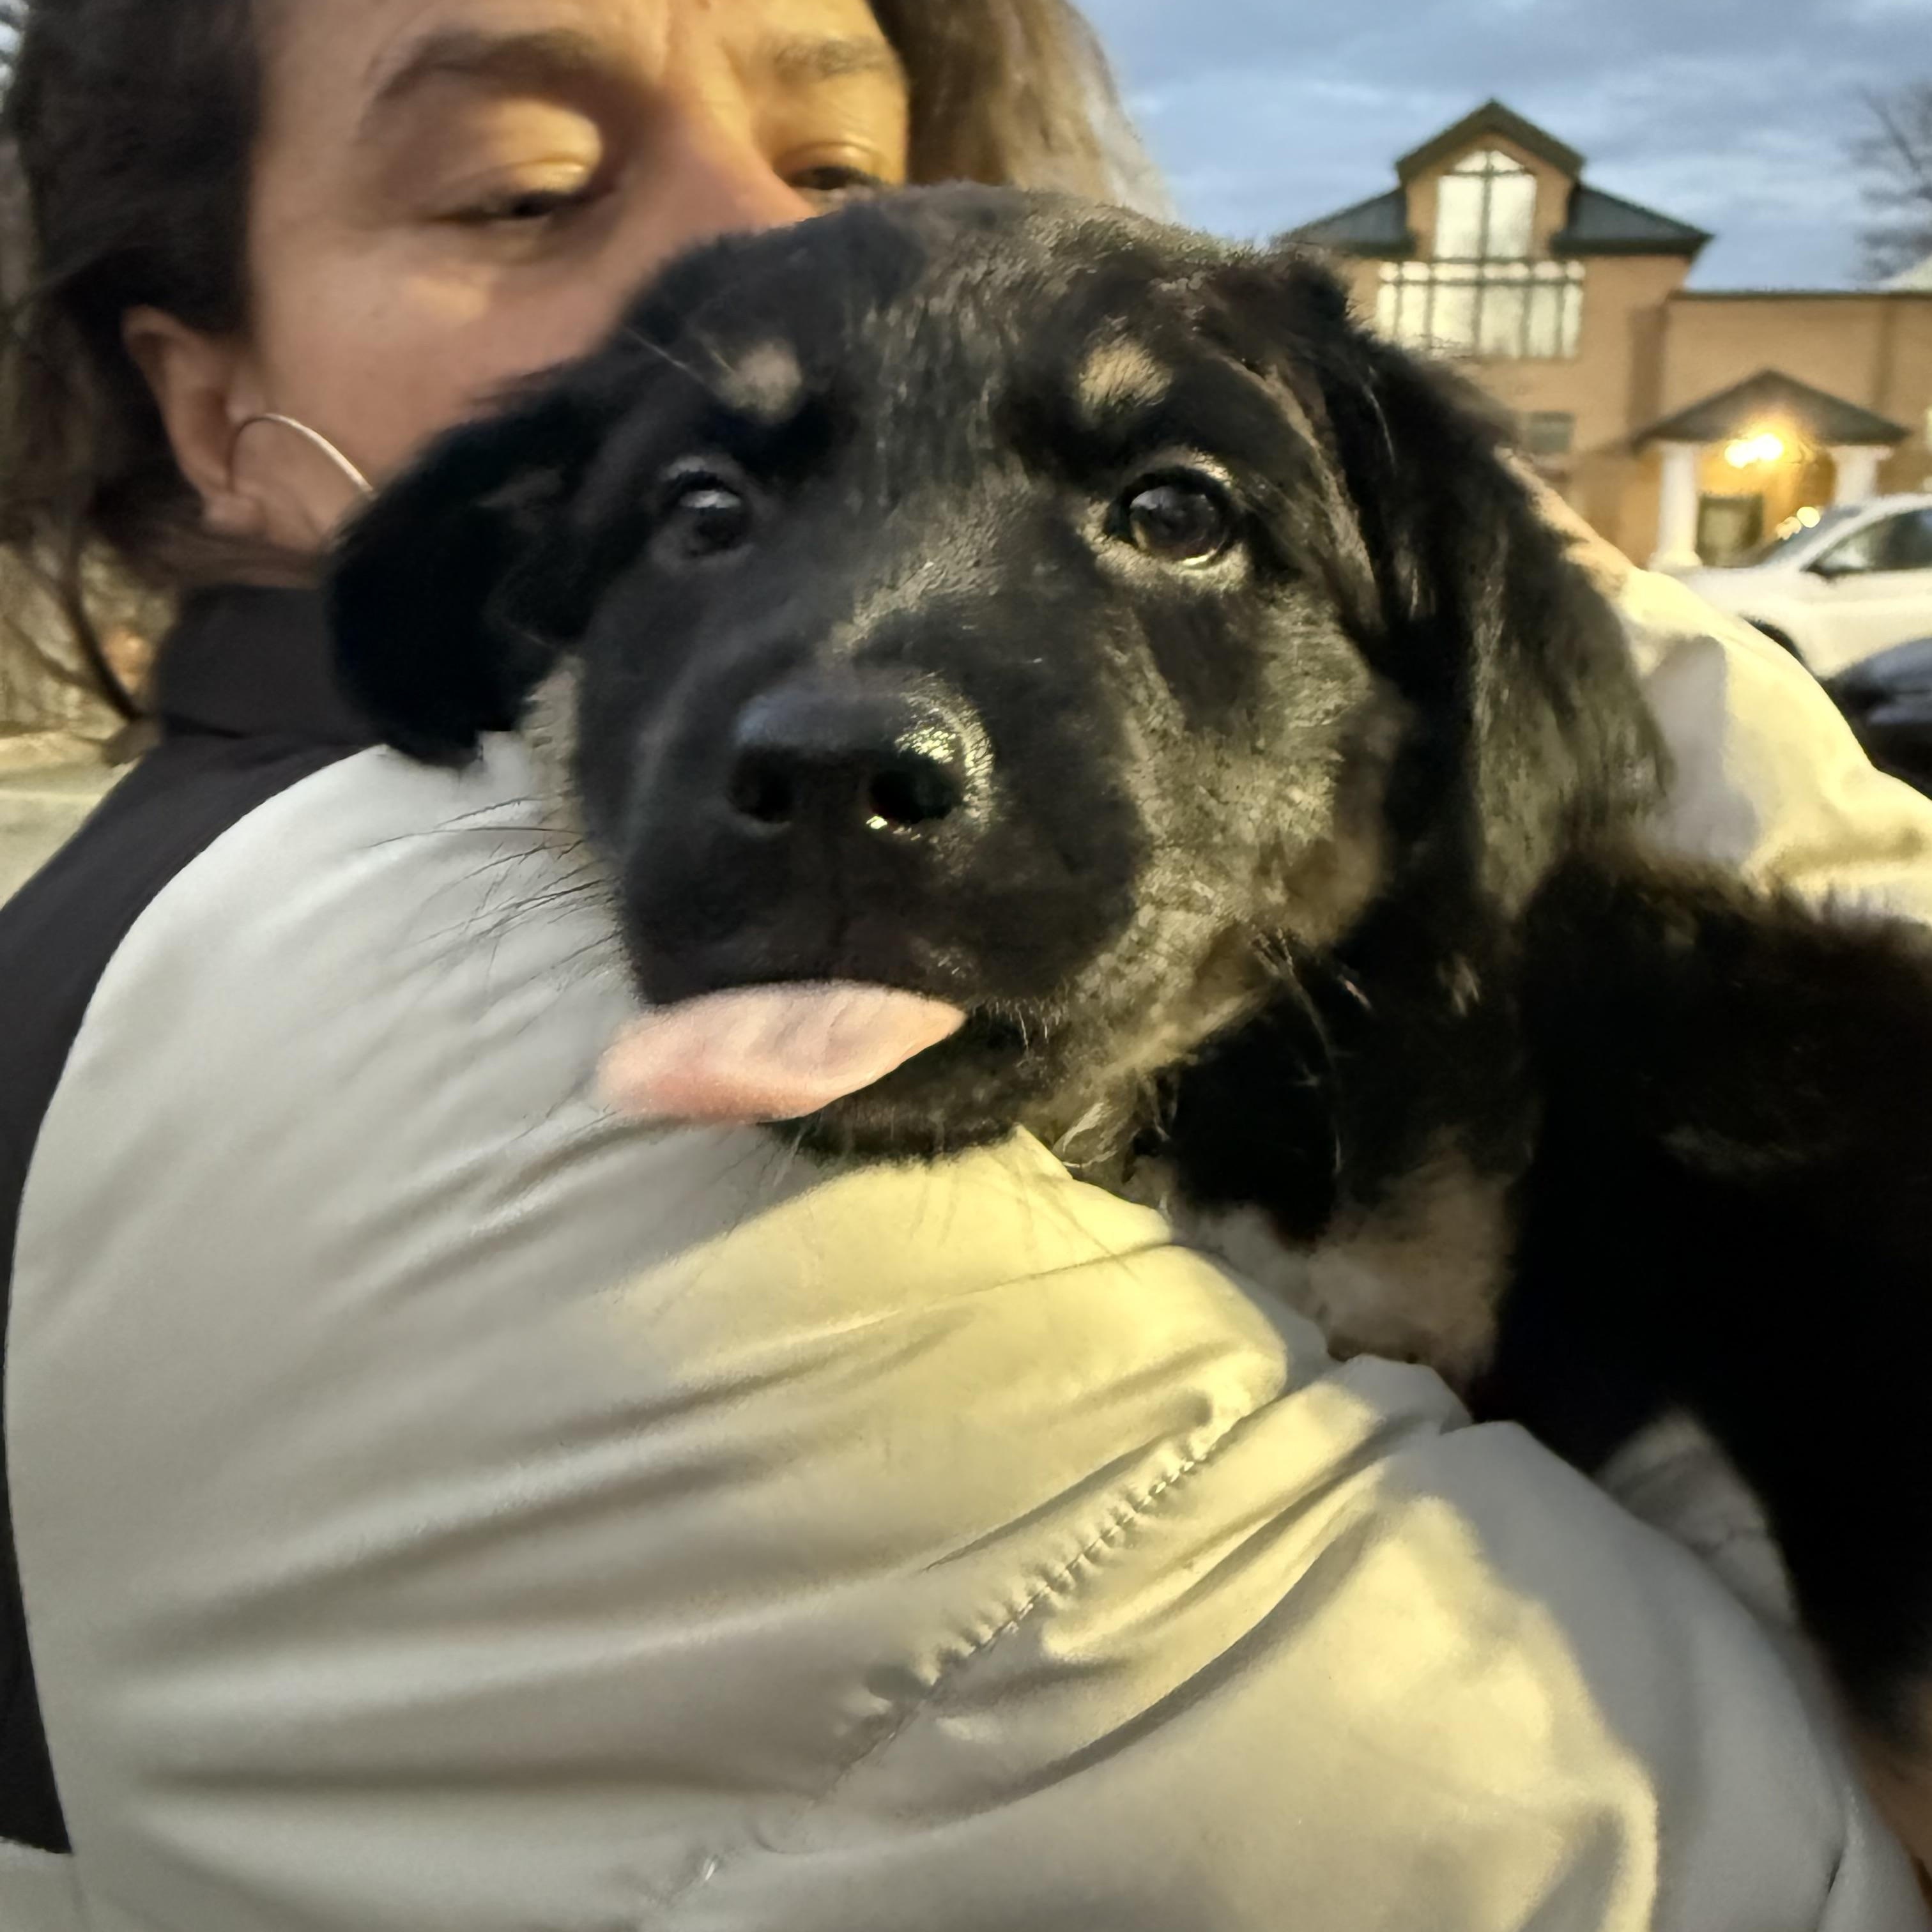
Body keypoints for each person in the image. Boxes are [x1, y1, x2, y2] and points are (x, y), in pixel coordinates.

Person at [0, 3, 1929, 1928]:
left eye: (841, 169)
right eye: (526, 191)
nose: (742, 243)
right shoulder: (386, 991)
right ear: (207, 408)